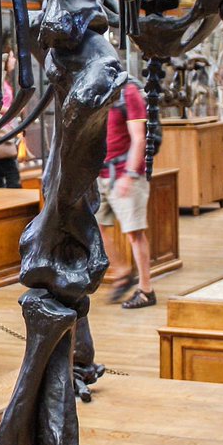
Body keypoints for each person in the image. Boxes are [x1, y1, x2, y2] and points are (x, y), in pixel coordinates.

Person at [98, 80, 155, 309]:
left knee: (134, 233)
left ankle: (146, 290)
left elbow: (139, 137)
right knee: (97, 226)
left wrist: (130, 174)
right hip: (102, 174)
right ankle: (122, 271)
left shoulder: (128, 93)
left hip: (125, 175)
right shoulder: (99, 90)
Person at [0, 49, 21, 188]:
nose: (14, 60)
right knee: (10, 169)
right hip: (0, 130)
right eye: (12, 57)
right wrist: (12, 110)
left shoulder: (5, 80)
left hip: (5, 127)